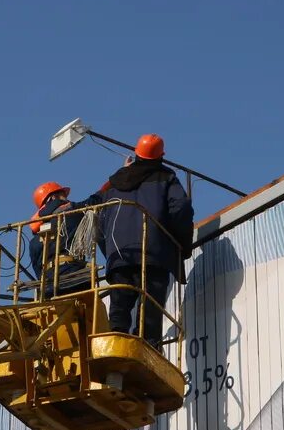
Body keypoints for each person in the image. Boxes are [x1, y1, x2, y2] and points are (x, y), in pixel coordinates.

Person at [86, 134, 194, 346]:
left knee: (119, 310)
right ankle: (149, 348)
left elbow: (96, 217)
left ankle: (116, 347)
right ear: (160, 157)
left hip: (120, 255)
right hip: (154, 255)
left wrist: (109, 251)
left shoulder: (114, 184)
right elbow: (181, 208)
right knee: (150, 312)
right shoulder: (166, 178)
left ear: (136, 153)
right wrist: (180, 243)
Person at [27, 181, 93, 296]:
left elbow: (37, 270)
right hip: (75, 279)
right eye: (63, 196)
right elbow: (95, 202)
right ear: (53, 197)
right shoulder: (73, 213)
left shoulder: (35, 240)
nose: (66, 199)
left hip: (48, 287)